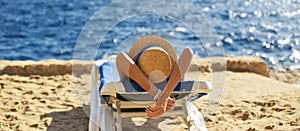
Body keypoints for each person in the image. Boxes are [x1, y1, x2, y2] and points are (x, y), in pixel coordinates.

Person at [116, 36, 193, 119]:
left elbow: (121, 57)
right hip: (167, 103)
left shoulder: (131, 77)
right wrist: (164, 96)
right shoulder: (172, 79)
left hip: (134, 104)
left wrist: (158, 95)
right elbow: (188, 52)